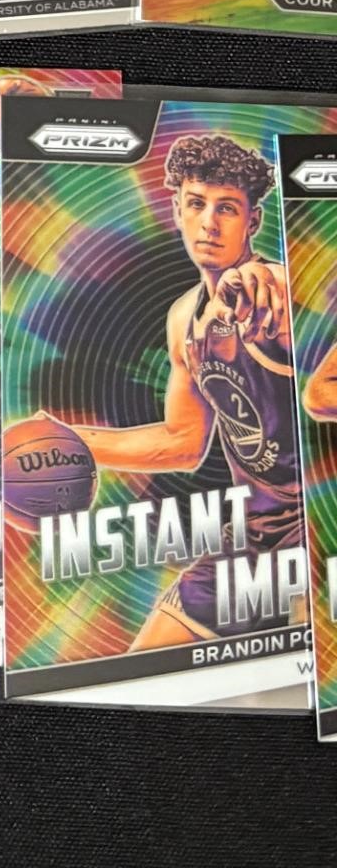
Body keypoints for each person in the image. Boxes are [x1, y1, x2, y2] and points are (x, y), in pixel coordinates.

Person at [55, 135, 303, 649]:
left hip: (319, 529)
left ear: (253, 221)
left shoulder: (277, 293)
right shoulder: (182, 318)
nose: (209, 222)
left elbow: (285, 291)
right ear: (177, 211)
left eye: (227, 208)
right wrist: (65, 442)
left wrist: (271, 280)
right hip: (255, 538)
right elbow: (182, 442)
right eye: (197, 204)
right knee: (140, 665)